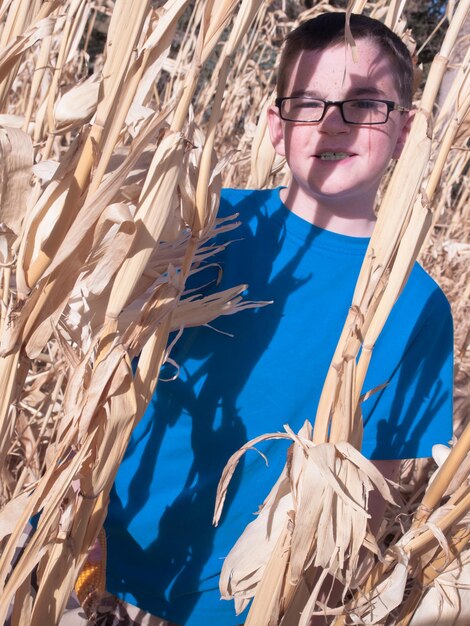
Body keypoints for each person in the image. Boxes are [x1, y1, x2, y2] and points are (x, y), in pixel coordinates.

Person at [104, 12, 454, 626]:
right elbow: (103, 373)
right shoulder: (197, 227)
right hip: (89, 561)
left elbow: (371, 489)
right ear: (275, 125)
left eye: (365, 104)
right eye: (309, 103)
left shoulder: (418, 304)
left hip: (235, 606)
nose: (333, 122)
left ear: (405, 131)